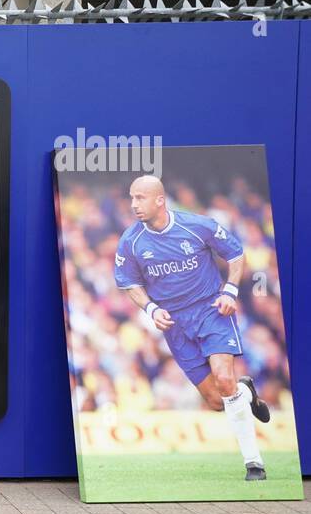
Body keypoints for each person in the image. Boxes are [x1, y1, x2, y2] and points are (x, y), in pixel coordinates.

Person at [113, 175, 271, 480]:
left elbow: (236, 253)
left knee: (224, 379)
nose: (134, 204)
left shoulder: (198, 225)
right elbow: (128, 282)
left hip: (212, 310)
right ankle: (245, 391)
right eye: (132, 198)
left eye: (140, 198)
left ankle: (254, 463)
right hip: (174, 324)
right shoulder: (130, 241)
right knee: (216, 401)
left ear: (160, 199)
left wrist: (230, 291)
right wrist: (151, 308)